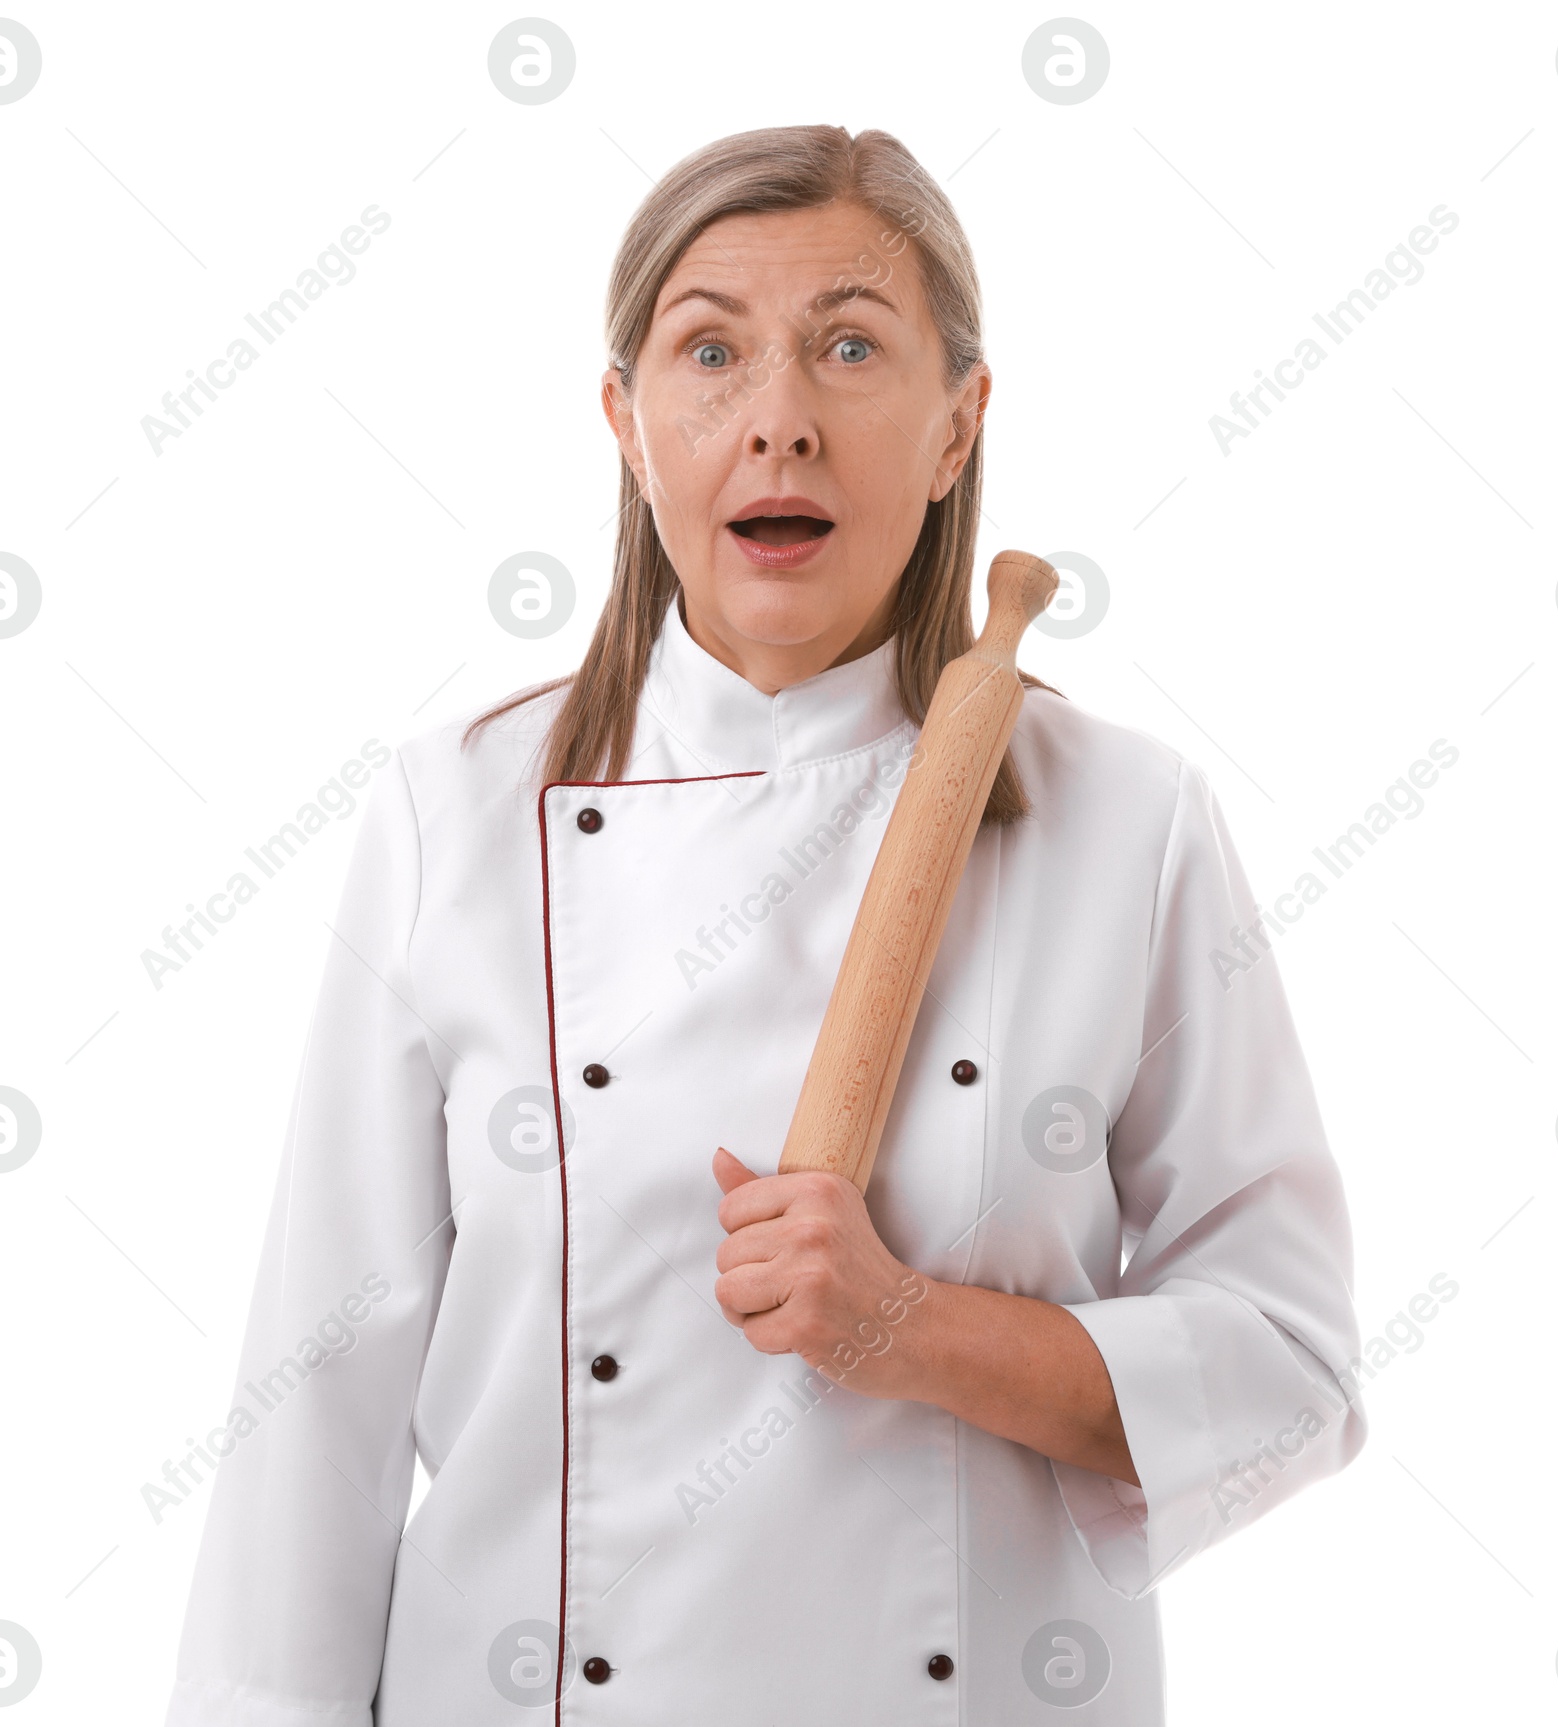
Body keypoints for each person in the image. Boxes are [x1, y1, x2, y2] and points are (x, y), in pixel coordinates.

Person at [163, 123, 1366, 1726]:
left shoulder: (1124, 823)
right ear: (628, 424)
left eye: (851, 347)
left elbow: (1292, 1373)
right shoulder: (454, 815)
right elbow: (320, 1399)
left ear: (958, 425)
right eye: (711, 350)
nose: (780, 422)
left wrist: (909, 1328)